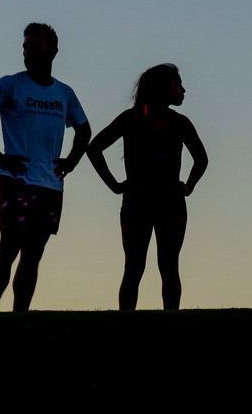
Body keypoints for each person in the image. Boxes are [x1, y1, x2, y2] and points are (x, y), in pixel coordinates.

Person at [0, 22, 92, 312]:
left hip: (50, 183)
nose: (28, 51)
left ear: (52, 50)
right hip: (17, 179)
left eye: (35, 45)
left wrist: (71, 161)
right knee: (10, 245)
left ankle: (20, 315)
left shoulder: (64, 93)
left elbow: (84, 130)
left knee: (34, 253)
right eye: (25, 46)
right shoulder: (10, 84)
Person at [87, 63, 209, 311]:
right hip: (139, 201)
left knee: (166, 265)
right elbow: (94, 148)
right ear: (163, 88)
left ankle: (170, 322)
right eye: (178, 84)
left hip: (167, 201)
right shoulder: (131, 119)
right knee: (136, 266)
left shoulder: (179, 123)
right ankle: (127, 324)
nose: (183, 90)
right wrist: (114, 185)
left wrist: (189, 186)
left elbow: (202, 159)